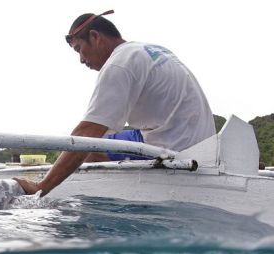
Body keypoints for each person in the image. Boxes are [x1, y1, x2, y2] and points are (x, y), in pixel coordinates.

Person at [14, 10, 215, 196]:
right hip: (197, 140)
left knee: (89, 148)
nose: (81, 60)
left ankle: (119, 195)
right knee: (100, 138)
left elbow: (87, 134)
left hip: (176, 148)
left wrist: (41, 187)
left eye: (79, 50)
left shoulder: (119, 64)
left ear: (95, 37)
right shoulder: (148, 50)